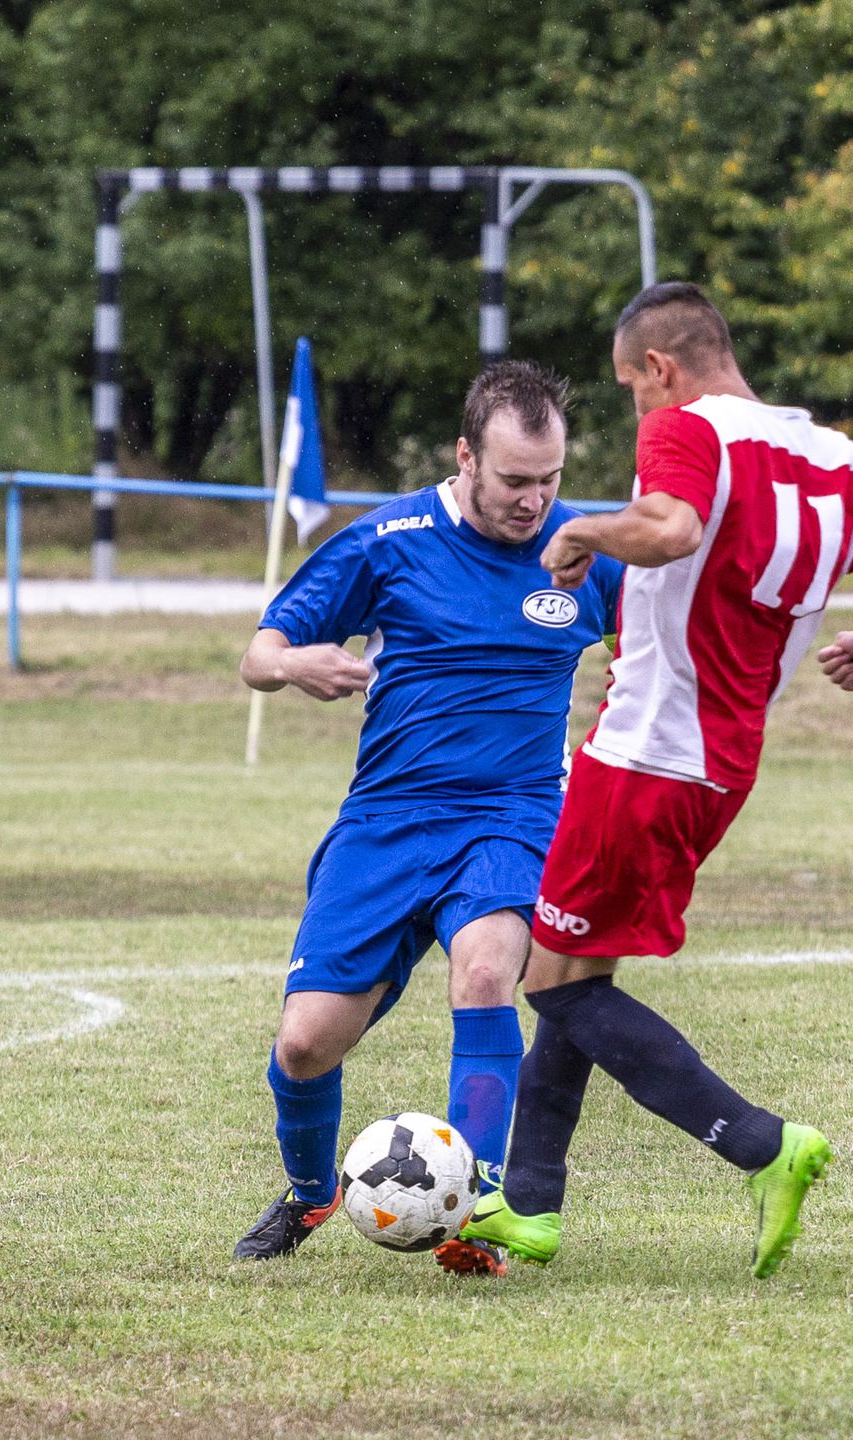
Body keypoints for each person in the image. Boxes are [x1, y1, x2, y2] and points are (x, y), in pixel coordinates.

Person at [460, 282, 853, 1279]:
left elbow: (672, 529)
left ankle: (761, 1144)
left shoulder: (691, 428)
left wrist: (584, 532)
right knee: (578, 965)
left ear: (661, 368)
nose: (637, 414)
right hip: (723, 768)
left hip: (644, 754)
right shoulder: (847, 466)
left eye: (629, 391)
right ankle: (530, 1204)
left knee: (551, 979)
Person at [231, 361, 624, 1277]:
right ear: (464, 457)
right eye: (516, 480)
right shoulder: (388, 540)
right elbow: (258, 653)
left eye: (551, 479)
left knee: (486, 971)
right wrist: (298, 667)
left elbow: (651, 644)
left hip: (515, 811)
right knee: (305, 1041)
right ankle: (312, 1191)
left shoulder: (584, 547)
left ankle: (474, 1213)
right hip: (389, 819)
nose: (536, 502)